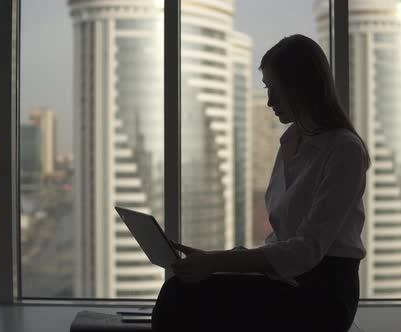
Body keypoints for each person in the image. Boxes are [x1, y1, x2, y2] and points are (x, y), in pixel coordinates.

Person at [151, 34, 371, 332]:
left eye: (275, 90)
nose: (269, 102)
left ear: (301, 86)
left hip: (323, 293)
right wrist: (216, 260)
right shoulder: (291, 141)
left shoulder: (345, 150)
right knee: (182, 287)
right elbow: (281, 242)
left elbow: (306, 250)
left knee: (181, 296)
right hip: (287, 279)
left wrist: (216, 262)